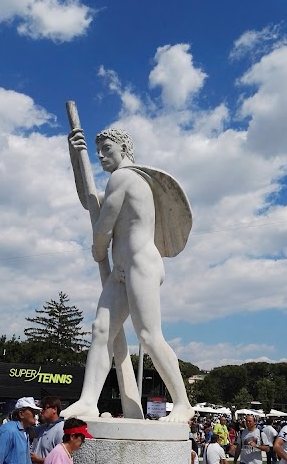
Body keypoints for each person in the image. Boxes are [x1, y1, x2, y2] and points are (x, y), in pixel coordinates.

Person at [63, 127, 193, 423]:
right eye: (97, 152)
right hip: (122, 269)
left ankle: (183, 403)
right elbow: (90, 201)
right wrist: (76, 156)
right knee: (101, 330)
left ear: (124, 148)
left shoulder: (124, 177)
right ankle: (88, 401)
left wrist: (98, 249)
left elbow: (103, 227)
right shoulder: (117, 181)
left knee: (148, 335)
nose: (101, 156)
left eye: (107, 149)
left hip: (140, 264)